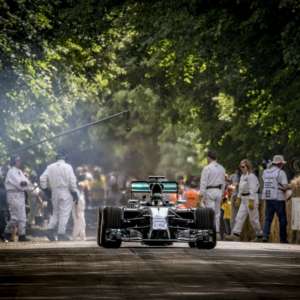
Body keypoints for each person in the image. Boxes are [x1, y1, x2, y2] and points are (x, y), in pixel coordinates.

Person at [40, 150, 78, 241]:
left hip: (54, 192)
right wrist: (74, 192)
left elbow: (42, 178)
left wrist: (46, 190)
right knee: (64, 213)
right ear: (64, 158)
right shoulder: (68, 167)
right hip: (65, 191)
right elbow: (72, 181)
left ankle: (50, 229)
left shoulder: (50, 167)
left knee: (55, 212)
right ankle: (61, 233)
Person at [226, 159, 263, 241]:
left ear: (248, 167)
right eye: (240, 167)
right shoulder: (242, 176)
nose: (241, 168)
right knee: (239, 217)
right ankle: (235, 234)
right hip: (243, 199)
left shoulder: (251, 176)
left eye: (243, 166)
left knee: (253, 219)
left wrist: (251, 200)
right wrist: (238, 198)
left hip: (251, 198)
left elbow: (253, 189)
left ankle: (259, 235)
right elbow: (241, 189)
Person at [4, 156, 32, 242]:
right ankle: (6, 233)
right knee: (15, 217)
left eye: (19, 160)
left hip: (20, 194)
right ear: (14, 162)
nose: (19, 162)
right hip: (13, 195)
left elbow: (27, 183)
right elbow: (20, 184)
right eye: (17, 160)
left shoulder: (19, 171)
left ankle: (22, 235)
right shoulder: (11, 171)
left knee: (22, 217)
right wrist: (25, 184)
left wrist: (26, 184)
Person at [262, 155, 289, 243]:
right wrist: (289, 188)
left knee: (268, 218)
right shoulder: (281, 173)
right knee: (282, 219)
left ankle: (265, 235)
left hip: (268, 197)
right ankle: (283, 238)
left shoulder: (265, 172)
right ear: (280, 164)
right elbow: (285, 186)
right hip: (279, 198)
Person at [200, 150, 225, 238]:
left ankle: (211, 232)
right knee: (217, 213)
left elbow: (203, 182)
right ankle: (217, 232)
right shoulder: (222, 168)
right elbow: (223, 182)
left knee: (210, 213)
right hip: (219, 191)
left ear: (208, 158)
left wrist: (201, 195)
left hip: (209, 191)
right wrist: (222, 194)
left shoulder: (207, 168)